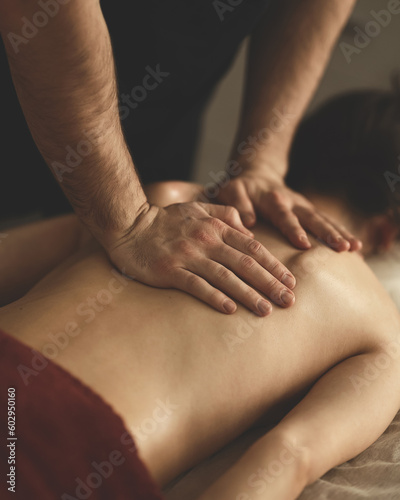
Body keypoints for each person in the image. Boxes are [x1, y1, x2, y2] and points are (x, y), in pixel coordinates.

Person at [1, 86, 400, 499]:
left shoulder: (167, 200)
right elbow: (287, 458)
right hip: (55, 445)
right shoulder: (380, 329)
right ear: (387, 234)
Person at [0, 0, 362, 315]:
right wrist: (129, 223)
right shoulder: (381, 330)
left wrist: (262, 162)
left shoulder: (176, 203)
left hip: (158, 119)